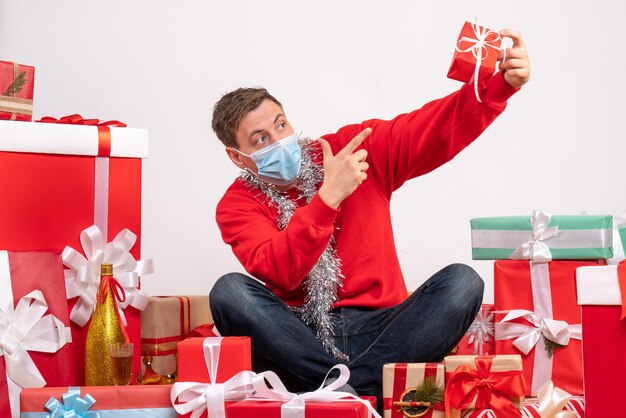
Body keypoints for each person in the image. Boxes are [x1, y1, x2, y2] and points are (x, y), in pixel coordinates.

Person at [209, 29, 530, 409]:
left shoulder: (351, 150)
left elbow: (426, 130)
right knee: (229, 292)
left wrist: (497, 88)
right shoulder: (237, 205)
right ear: (236, 156)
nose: (278, 139)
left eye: (281, 124)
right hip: (302, 337)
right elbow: (280, 271)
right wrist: (328, 198)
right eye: (260, 139)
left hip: (387, 330)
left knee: (462, 283)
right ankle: (364, 389)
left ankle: (339, 393)